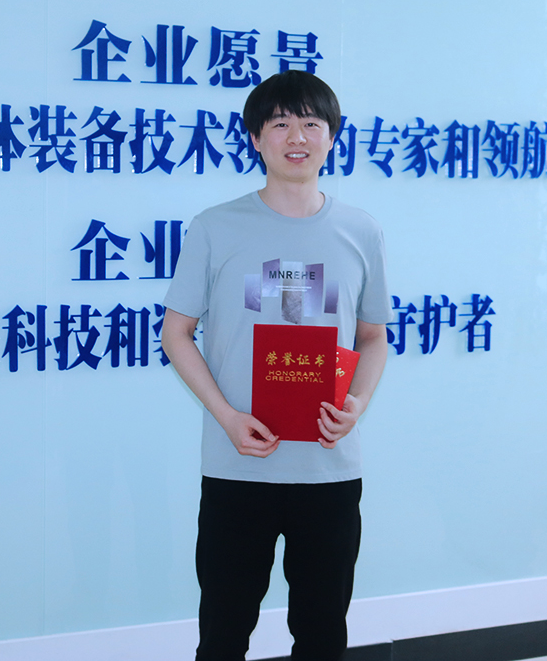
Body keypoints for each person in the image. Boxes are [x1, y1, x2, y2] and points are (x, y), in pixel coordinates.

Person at [161, 70, 390, 661]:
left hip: (328, 470)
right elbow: (176, 334)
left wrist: (357, 404)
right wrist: (227, 418)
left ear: (332, 137)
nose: (297, 137)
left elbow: (373, 337)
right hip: (239, 467)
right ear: (256, 139)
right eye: (281, 123)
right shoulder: (215, 227)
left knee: (322, 634)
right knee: (223, 634)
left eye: (311, 123)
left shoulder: (360, 230)